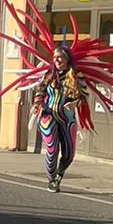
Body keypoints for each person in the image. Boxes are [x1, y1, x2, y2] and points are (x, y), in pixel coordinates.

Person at [34, 42, 85, 192]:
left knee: (69, 154)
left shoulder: (76, 75)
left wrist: (74, 103)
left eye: (60, 57)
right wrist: (37, 103)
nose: (57, 60)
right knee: (52, 149)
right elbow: (40, 90)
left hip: (67, 119)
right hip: (48, 115)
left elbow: (84, 97)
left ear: (67, 59)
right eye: (55, 57)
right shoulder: (49, 74)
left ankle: (58, 176)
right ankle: (51, 180)